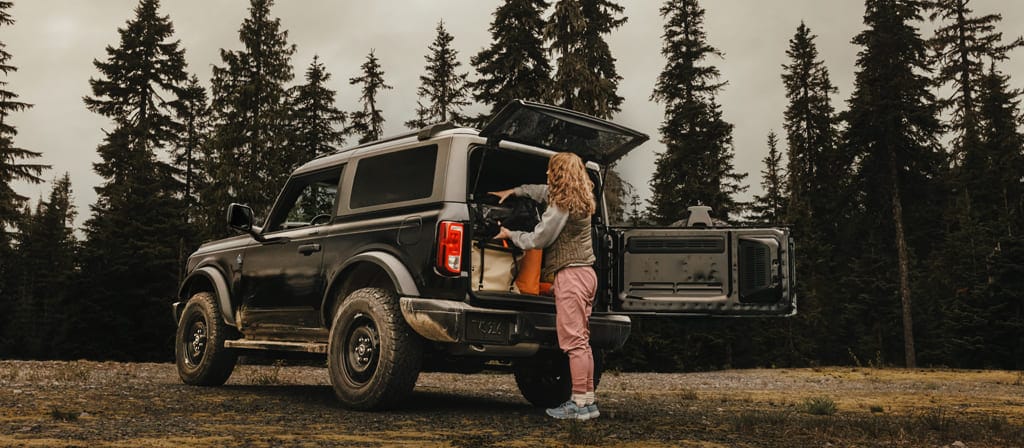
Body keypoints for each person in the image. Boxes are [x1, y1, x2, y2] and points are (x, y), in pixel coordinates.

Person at [490, 152, 599, 421]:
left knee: (573, 344)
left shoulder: (561, 206)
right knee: (582, 343)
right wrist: (515, 191)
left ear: (559, 173)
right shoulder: (581, 198)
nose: (548, 175)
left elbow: (539, 238)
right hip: (587, 274)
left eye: (552, 171)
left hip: (571, 277)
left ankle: (577, 404)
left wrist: (511, 235)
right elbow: (542, 192)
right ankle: (588, 403)